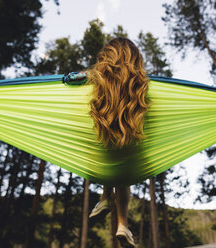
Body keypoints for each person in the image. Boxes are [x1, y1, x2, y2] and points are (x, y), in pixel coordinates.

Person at [87, 37, 150, 247]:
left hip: (101, 151)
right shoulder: (143, 86)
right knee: (123, 169)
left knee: (110, 154)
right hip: (128, 150)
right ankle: (123, 224)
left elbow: (71, 80)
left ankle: (105, 196)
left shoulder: (93, 83)